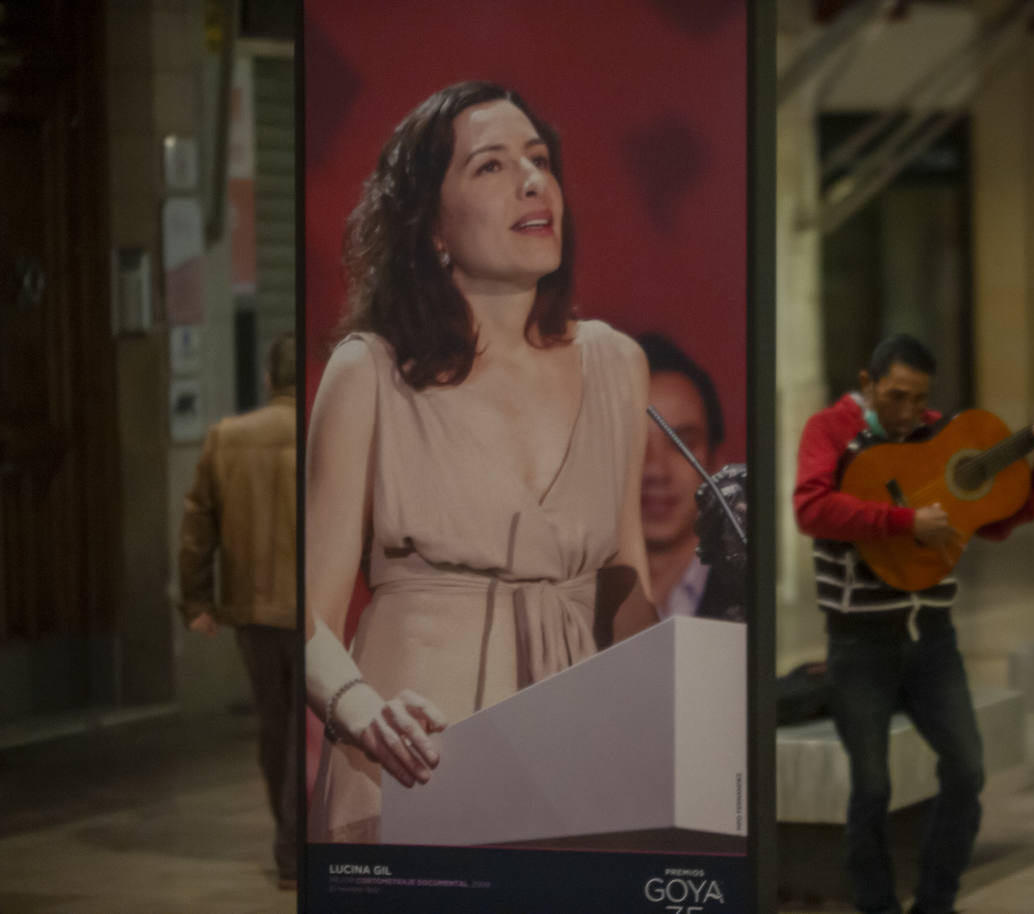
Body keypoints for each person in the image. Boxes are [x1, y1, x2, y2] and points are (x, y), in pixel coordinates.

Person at [305, 80, 657, 844]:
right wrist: (366, 713)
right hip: (412, 764)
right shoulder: (368, 371)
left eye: (539, 159)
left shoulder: (618, 364)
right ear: (430, 224)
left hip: (580, 765)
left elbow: (626, 588)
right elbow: (306, 621)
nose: (533, 180)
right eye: (491, 166)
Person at [792, 334, 1034, 914]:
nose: (910, 413)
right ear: (868, 385)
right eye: (896, 398)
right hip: (860, 643)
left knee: (967, 770)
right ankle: (877, 907)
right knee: (872, 789)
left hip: (933, 640)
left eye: (919, 400)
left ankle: (937, 902)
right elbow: (810, 508)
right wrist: (902, 522)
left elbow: (991, 522)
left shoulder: (940, 435)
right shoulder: (830, 430)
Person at [178, 331, 299, 890]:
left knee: (273, 726)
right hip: (318, 612)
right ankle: (299, 848)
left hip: (253, 611)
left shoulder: (226, 439)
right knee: (311, 727)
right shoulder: (328, 428)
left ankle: (289, 847)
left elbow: (197, 525)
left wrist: (197, 601)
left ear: (269, 379)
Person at [636, 332, 743, 622]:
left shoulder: (751, 595)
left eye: (681, 443)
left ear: (715, 465)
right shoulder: (569, 607)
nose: (656, 470)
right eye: (633, 444)